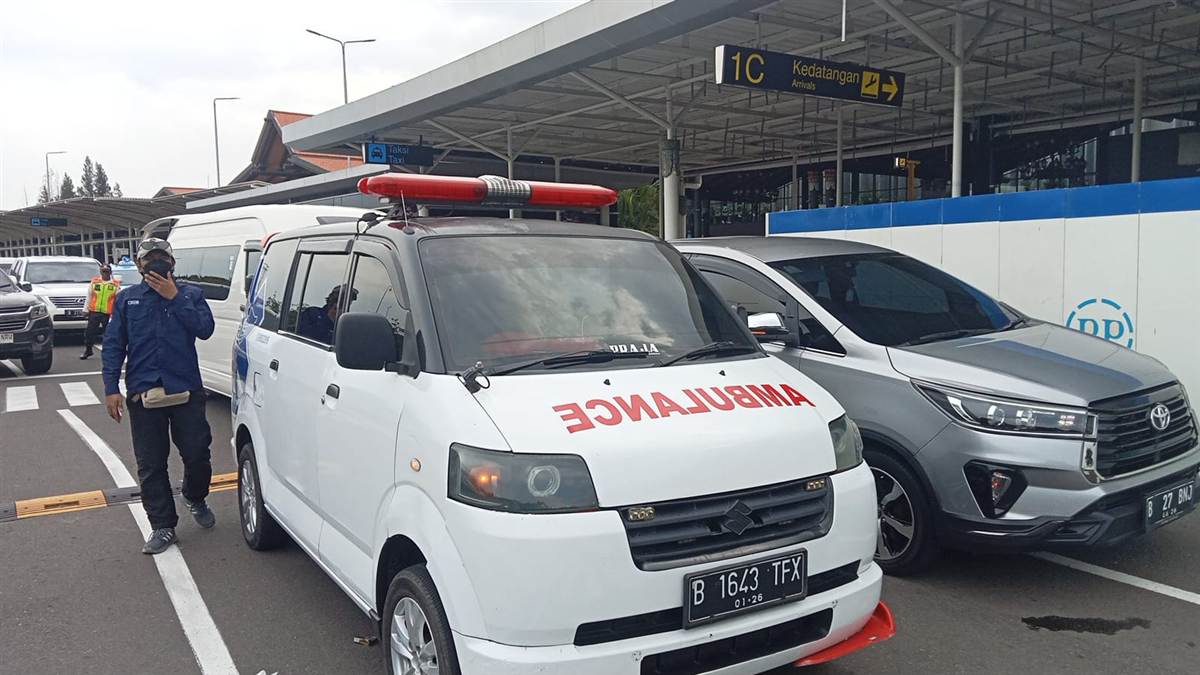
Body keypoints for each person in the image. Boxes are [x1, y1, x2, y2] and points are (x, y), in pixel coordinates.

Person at [102, 238, 217, 555]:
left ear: (172, 263)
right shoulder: (127, 300)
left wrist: (174, 297)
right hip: (144, 393)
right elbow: (113, 345)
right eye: (149, 258)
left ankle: (194, 496)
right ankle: (163, 526)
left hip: (186, 390)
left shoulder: (191, 294)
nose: (155, 263)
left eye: (161, 258)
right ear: (139, 265)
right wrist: (111, 389)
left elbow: (205, 329)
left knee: (197, 454)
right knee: (151, 463)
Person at [80, 264, 120, 360]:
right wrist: (85, 309)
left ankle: (109, 351)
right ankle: (88, 350)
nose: (105, 273)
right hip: (95, 311)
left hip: (108, 313)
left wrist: (117, 313)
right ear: (100, 272)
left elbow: (118, 300)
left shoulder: (115, 284)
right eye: (103, 271)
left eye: (106, 271)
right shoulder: (95, 282)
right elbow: (89, 296)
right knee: (90, 332)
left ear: (110, 272)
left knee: (108, 334)